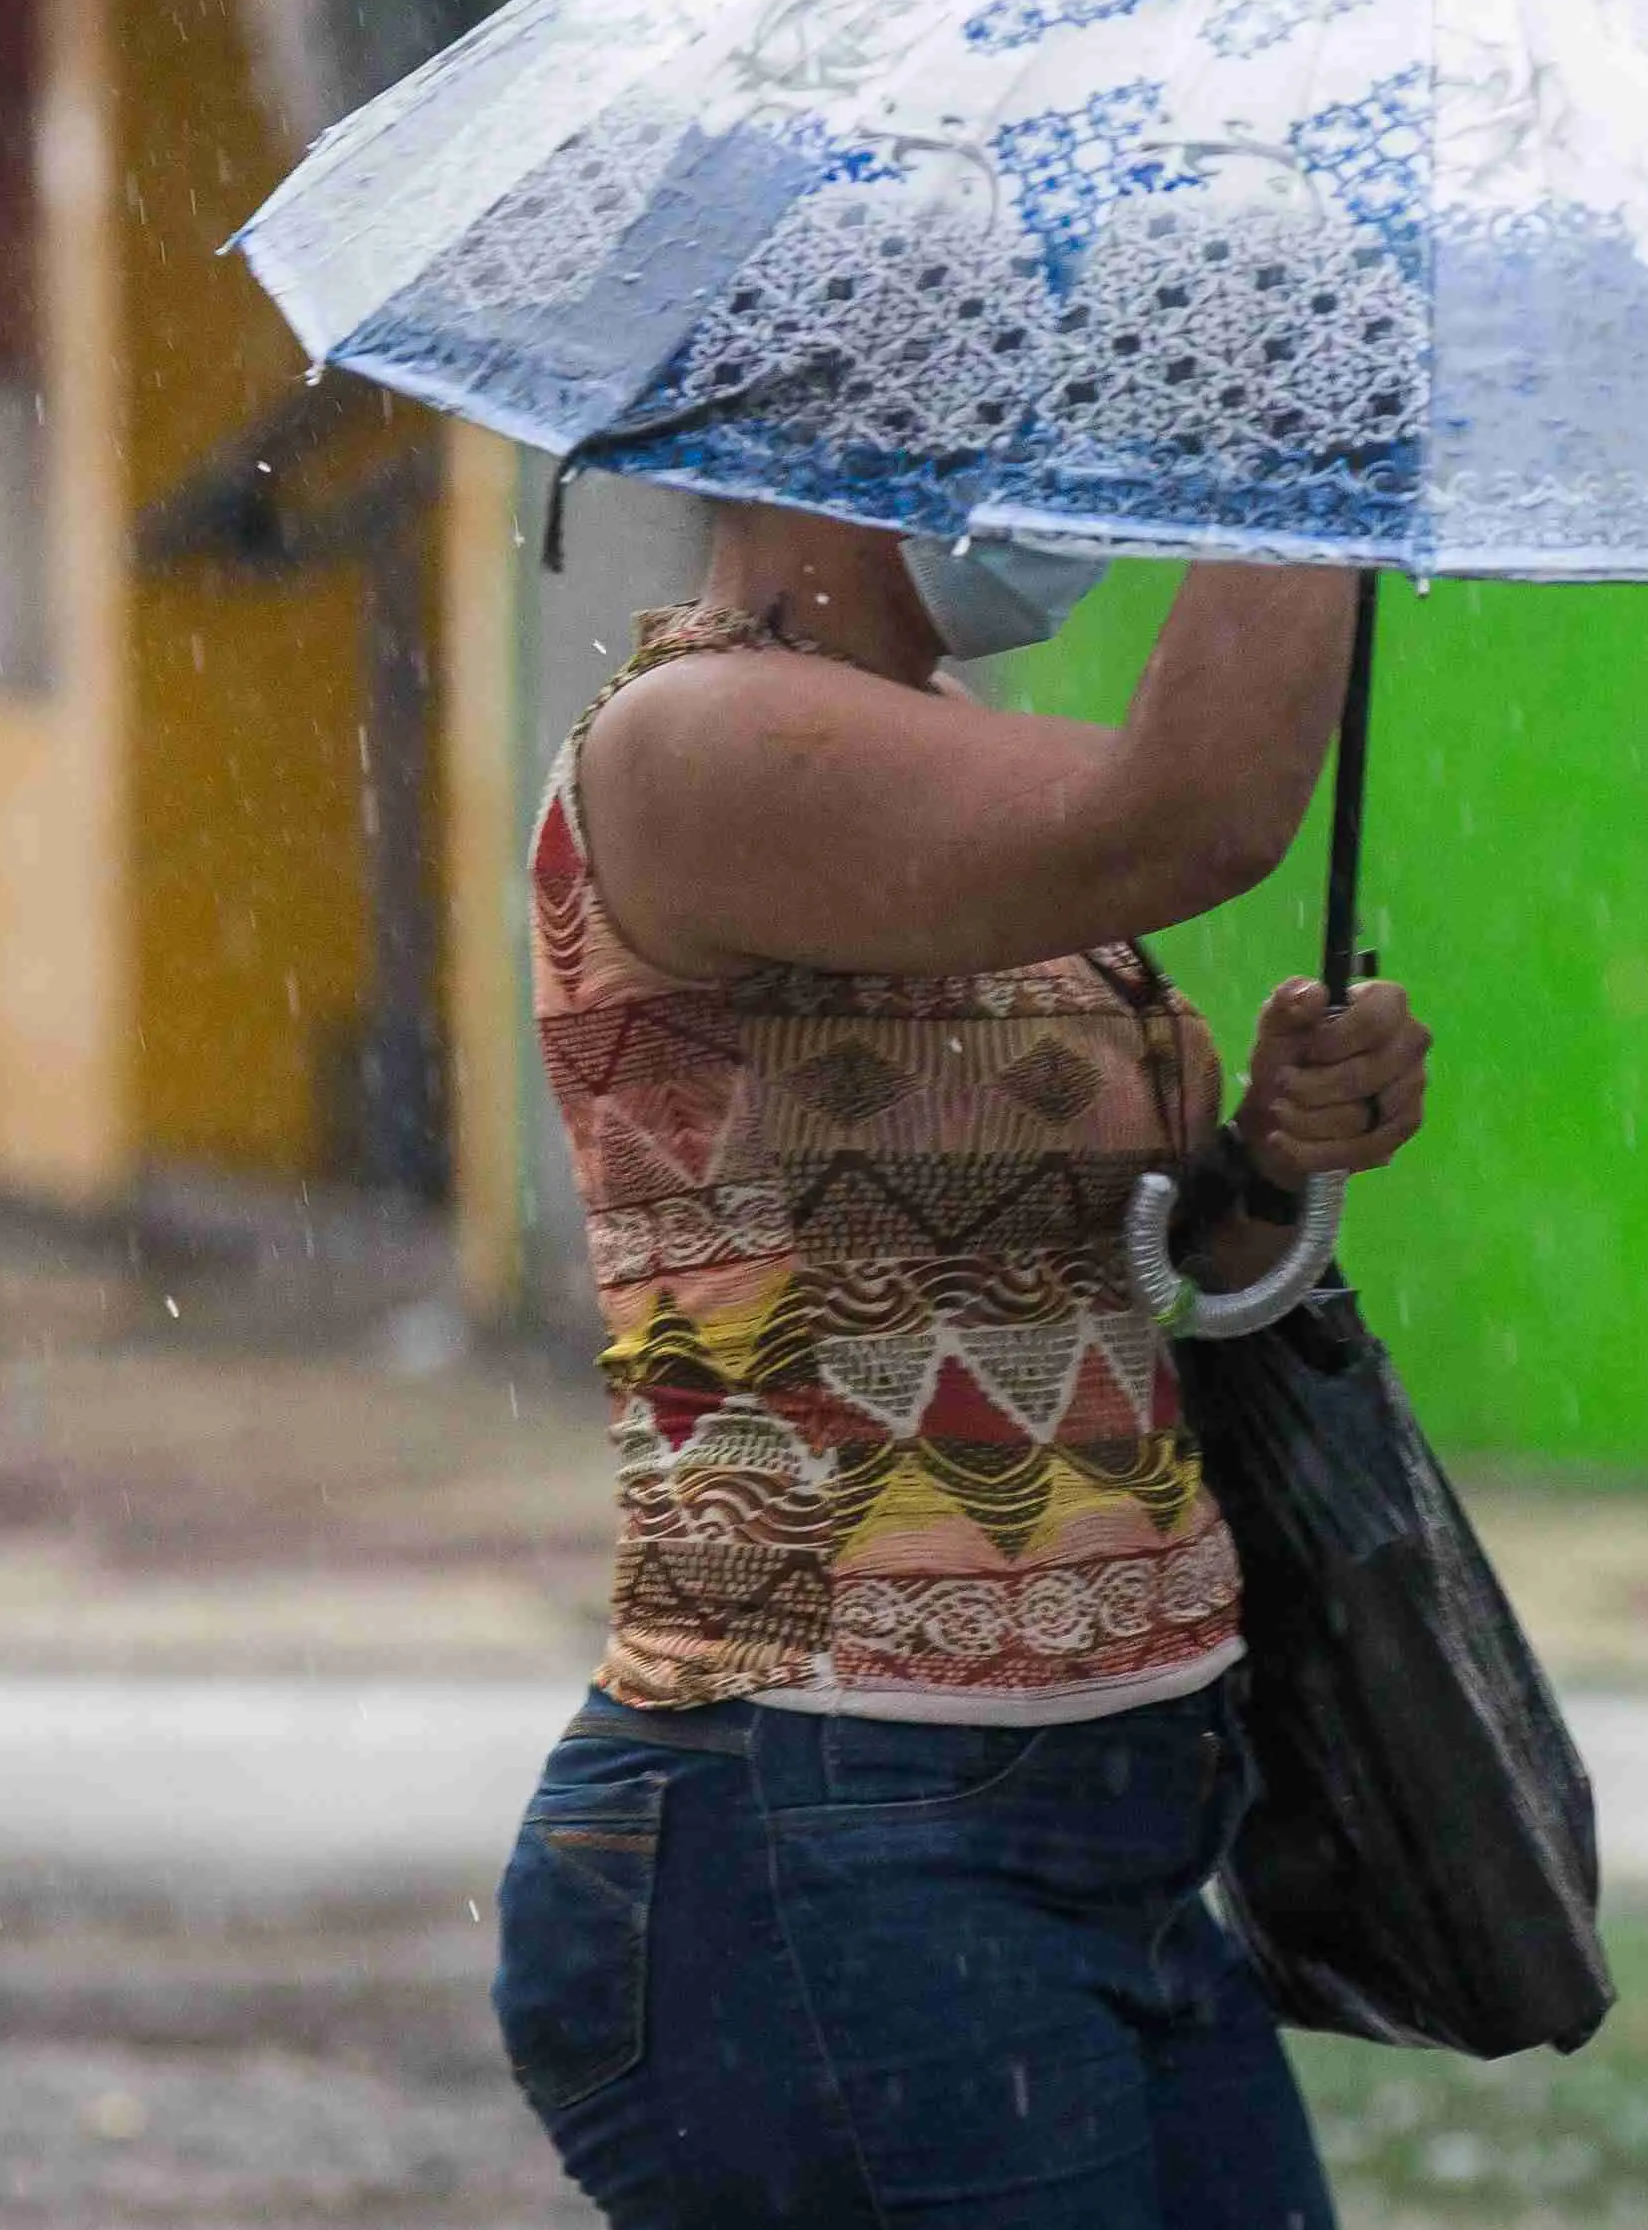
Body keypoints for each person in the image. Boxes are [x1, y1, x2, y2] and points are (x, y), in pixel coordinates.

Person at [491, 493, 1432, 2229]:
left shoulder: (948, 754)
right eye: (1002, 399)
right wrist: (1313, 430)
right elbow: (1195, 812)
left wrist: (1277, 1153)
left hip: (1120, 1821)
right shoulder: (689, 743)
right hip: (828, 1825)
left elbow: (1137, 1267)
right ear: (829, 431)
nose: (1050, 451)